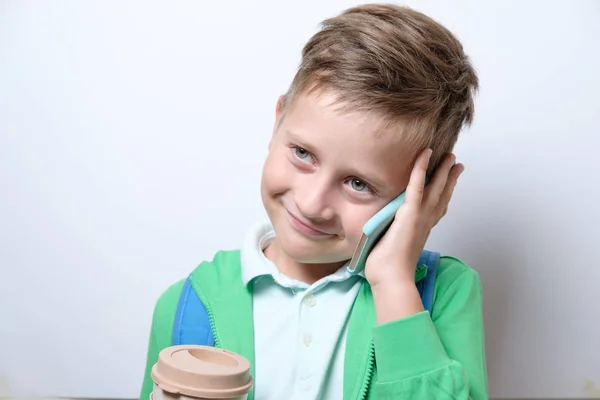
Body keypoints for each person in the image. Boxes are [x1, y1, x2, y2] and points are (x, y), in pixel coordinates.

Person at [140, 3, 487, 399]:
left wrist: (393, 283)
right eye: (303, 153)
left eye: (358, 183)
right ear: (278, 122)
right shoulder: (188, 304)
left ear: (420, 193)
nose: (310, 203)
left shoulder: (445, 295)